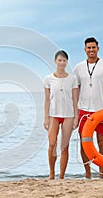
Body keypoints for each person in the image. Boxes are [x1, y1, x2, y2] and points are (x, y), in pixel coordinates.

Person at [73, 37, 103, 179]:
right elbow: (76, 89)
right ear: (85, 49)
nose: (91, 50)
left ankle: (101, 174)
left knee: (101, 142)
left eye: (93, 47)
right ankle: (87, 173)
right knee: (84, 142)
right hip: (84, 110)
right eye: (88, 48)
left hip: (102, 110)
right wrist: (75, 111)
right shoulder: (78, 67)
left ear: (98, 48)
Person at [44, 50, 79, 179]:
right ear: (55, 61)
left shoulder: (72, 79)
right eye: (60, 60)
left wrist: (76, 117)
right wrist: (46, 118)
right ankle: (52, 173)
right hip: (53, 115)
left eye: (64, 60)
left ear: (67, 62)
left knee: (64, 146)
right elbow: (47, 100)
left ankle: (62, 176)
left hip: (68, 116)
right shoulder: (48, 79)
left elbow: (75, 100)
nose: (62, 63)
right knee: (52, 144)